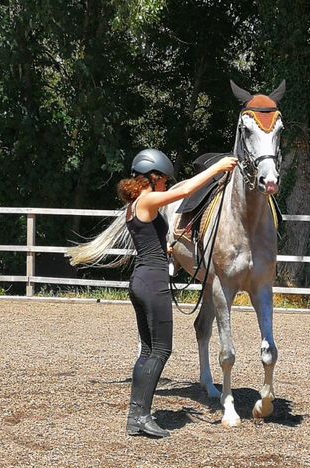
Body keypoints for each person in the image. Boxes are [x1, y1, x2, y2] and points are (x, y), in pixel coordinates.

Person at [68, 149, 238, 438]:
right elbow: (184, 190)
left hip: (143, 279)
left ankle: (136, 415)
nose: (167, 185)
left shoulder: (136, 205)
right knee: (161, 350)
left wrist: (165, 249)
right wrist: (216, 169)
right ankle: (143, 415)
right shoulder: (146, 199)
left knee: (148, 351)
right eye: (164, 180)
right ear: (154, 177)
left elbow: (149, 240)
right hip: (152, 282)